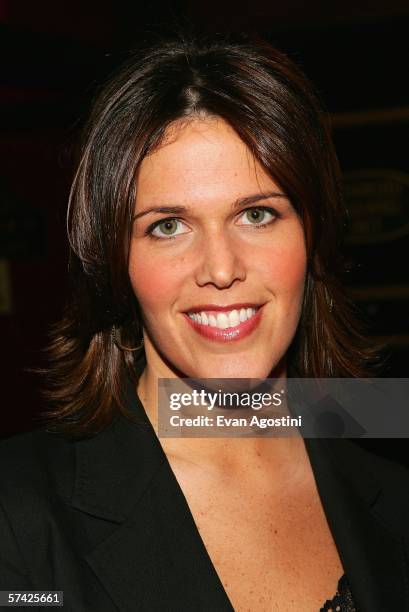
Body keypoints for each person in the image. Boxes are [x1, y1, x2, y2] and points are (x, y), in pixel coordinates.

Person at [0, 29, 408, 612]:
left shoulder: (392, 497)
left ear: (311, 237)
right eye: (168, 225)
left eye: (257, 214)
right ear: (116, 261)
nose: (220, 268)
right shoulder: (18, 516)